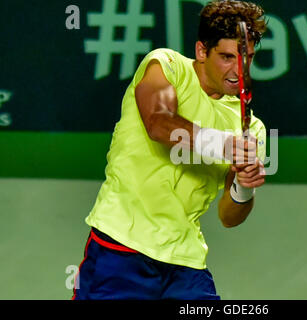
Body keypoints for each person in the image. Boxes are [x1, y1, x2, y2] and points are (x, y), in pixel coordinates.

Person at [72, 0, 268, 300]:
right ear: (202, 51)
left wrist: (245, 185)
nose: (238, 69)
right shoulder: (165, 66)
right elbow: (158, 122)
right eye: (227, 57)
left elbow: (229, 217)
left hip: (185, 263)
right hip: (122, 245)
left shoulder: (252, 129)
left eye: (246, 57)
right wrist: (225, 146)